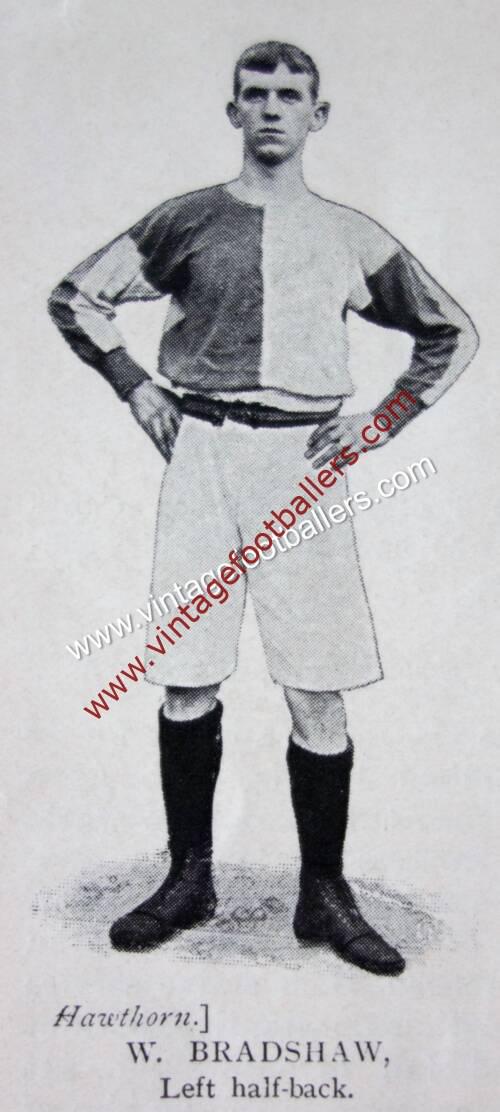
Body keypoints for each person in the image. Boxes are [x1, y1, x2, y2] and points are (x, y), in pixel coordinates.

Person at [48, 41, 478, 975]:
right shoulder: (187, 220)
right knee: (187, 674)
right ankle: (188, 879)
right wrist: (134, 384)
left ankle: (324, 896)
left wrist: (382, 421)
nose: (273, 108)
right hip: (201, 453)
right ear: (233, 111)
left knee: (316, 684)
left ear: (318, 116)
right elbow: (77, 297)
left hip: (302, 465)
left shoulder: (349, 234)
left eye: (291, 95)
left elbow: (451, 330)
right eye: (256, 94)